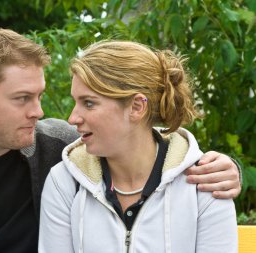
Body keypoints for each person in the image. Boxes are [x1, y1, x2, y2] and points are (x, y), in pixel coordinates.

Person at [0, 29, 239, 252]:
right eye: (22, 99)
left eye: (40, 95)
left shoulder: (60, 146)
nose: (40, 112)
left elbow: (139, 142)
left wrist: (220, 167)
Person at [39, 41, 237, 252]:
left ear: (137, 107)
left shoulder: (204, 184)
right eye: (76, 102)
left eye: (89, 103)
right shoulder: (65, 182)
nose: (72, 118)